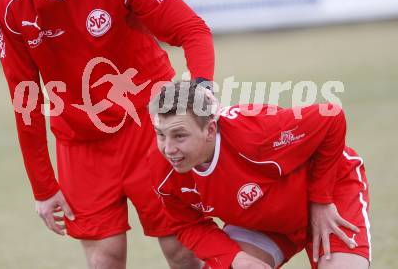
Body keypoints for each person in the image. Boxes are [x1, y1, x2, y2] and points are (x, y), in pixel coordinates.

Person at [0, 0, 214, 268]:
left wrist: (202, 88)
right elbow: (26, 103)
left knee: (181, 249)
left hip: (149, 128)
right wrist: (43, 186)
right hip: (81, 144)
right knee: (104, 260)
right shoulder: (10, 6)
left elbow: (191, 29)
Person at [148, 81, 371, 269]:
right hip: (262, 219)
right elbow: (187, 224)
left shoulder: (254, 135)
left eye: (179, 136)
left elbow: (331, 117)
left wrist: (321, 200)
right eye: (161, 135)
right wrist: (236, 257)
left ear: (210, 130)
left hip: (328, 190)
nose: (168, 149)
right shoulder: (163, 167)